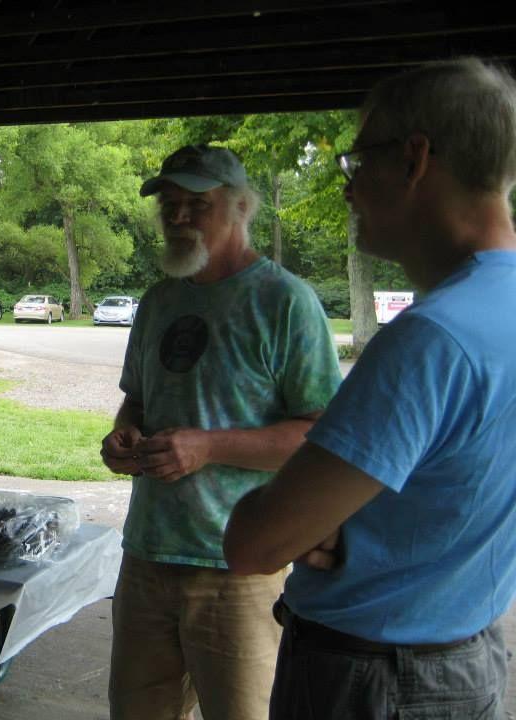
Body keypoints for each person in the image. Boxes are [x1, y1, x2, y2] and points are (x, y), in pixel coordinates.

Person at [223, 57, 516, 719]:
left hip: (374, 683)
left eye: (358, 165)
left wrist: (303, 512)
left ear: (414, 160)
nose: (350, 190)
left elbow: (254, 545)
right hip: (469, 660)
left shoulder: (432, 340)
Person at [101, 144, 342, 720]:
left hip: (237, 566)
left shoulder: (285, 302)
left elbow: (322, 437)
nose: (178, 217)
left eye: (195, 204)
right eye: (169, 205)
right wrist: (123, 439)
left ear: (239, 208)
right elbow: (137, 399)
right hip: (146, 557)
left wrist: (209, 447)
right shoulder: (159, 300)